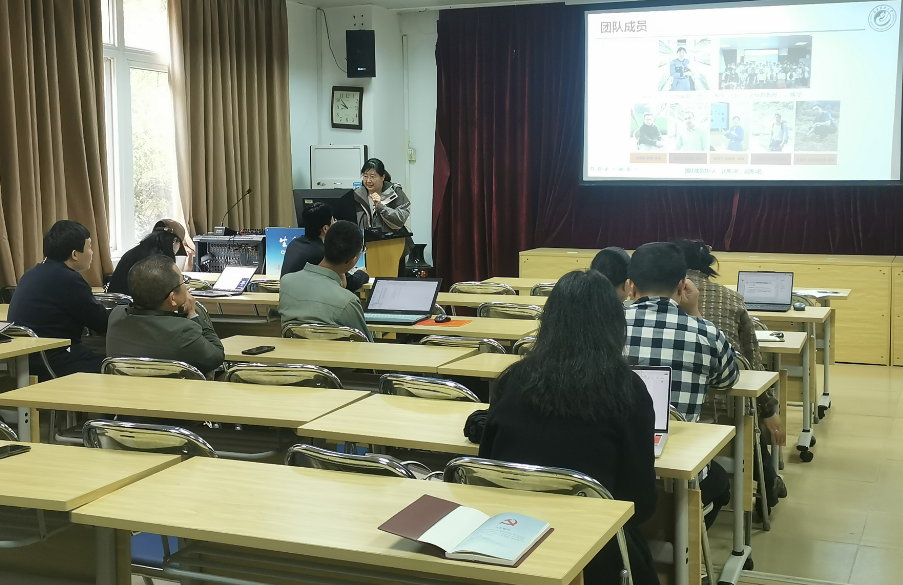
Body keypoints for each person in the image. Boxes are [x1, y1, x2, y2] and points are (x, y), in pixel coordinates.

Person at [481, 270, 660, 585]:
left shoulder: (512, 379)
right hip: (593, 552)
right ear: (614, 323)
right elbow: (640, 503)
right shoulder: (627, 389)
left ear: (549, 320)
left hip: (507, 541)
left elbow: (485, 466)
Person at [623, 242, 739, 528]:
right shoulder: (706, 332)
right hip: (678, 469)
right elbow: (728, 380)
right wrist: (695, 313)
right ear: (682, 285)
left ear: (630, 286)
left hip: (615, 460)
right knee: (720, 481)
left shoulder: (605, 325)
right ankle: (684, 544)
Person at [672, 240, 788, 508]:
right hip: (726, 408)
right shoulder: (731, 298)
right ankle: (768, 479)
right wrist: (768, 409)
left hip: (673, 411)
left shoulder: (660, 301)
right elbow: (751, 361)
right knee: (745, 416)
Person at [8, 220, 110, 377]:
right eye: (89, 247)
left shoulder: (31, 273)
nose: (92, 253)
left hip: (26, 359)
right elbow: (101, 322)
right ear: (75, 254)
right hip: (54, 360)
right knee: (114, 366)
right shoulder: (69, 279)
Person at [106, 255, 224, 375]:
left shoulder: (116, 315)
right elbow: (217, 356)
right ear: (173, 298)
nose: (186, 287)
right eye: (183, 282)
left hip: (126, 386)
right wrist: (192, 313)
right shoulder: (184, 331)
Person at [278, 220, 372, 341]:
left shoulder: (286, 283)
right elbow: (365, 342)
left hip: (294, 352)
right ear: (353, 260)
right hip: (333, 353)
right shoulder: (348, 302)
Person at [280, 202, 369, 292]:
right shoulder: (323, 252)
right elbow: (348, 284)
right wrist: (362, 274)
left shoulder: (294, 244)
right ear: (326, 228)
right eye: (333, 221)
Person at [107, 220, 195, 296]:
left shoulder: (133, 252)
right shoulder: (159, 260)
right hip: (135, 306)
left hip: (117, 306)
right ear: (174, 241)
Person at [354, 158, 411, 239]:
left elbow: (401, 219)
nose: (368, 180)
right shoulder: (357, 195)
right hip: (365, 242)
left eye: (372, 177)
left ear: (383, 177)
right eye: (365, 176)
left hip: (392, 242)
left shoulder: (394, 192)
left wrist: (381, 207)